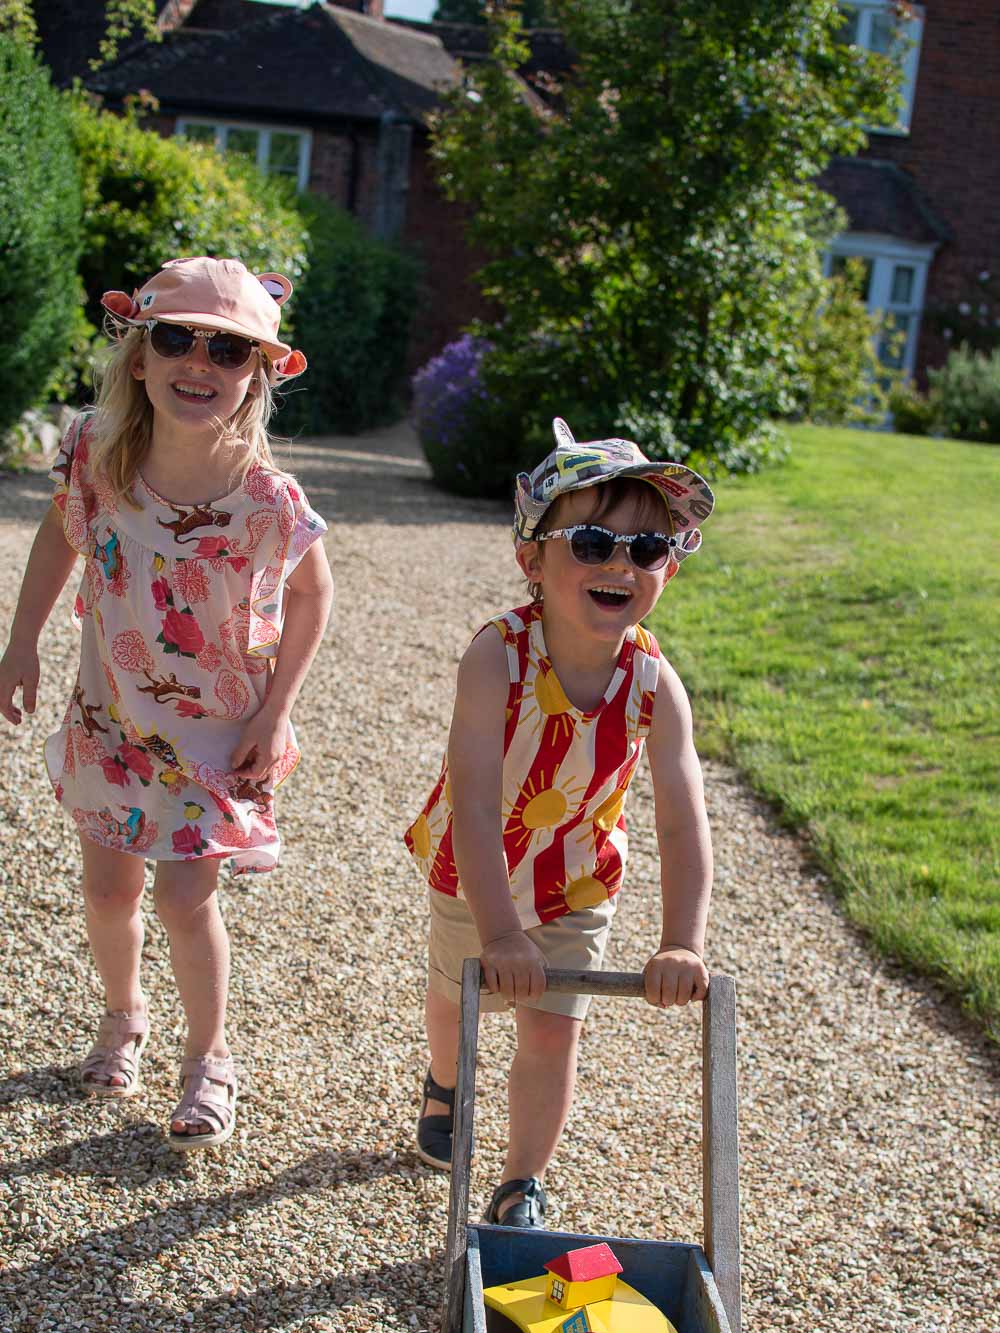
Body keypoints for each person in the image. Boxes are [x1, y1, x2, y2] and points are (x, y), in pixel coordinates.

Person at [0, 257, 333, 1151]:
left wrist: (277, 711)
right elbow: (57, 540)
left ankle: (209, 1058)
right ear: (140, 357)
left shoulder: (265, 497)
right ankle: (122, 1018)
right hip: (113, 718)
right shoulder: (99, 455)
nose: (201, 361)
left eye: (229, 349)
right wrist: (22, 640)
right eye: (177, 338)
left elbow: (312, 596)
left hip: (217, 734)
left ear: (257, 375)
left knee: (187, 897)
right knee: (109, 891)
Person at [404, 417, 715, 1226]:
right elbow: (473, 799)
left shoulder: (654, 682)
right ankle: (445, 1078)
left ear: (668, 570)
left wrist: (682, 938)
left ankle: (519, 1184)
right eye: (590, 543)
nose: (620, 564)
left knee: (552, 1033)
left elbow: (682, 821)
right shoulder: (496, 657)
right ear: (532, 560)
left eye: (648, 549)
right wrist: (501, 929)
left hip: (579, 874)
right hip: (476, 866)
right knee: (456, 996)